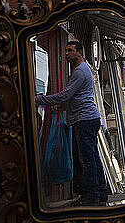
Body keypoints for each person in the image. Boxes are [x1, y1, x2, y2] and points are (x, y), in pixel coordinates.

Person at [35, 41, 107, 206]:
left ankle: (91, 195)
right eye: (66, 50)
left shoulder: (80, 71)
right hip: (87, 119)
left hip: (84, 119)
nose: (66, 53)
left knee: (87, 159)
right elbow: (74, 97)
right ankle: (100, 192)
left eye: (70, 50)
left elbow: (65, 95)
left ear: (79, 53)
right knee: (93, 157)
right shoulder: (80, 70)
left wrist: (39, 100)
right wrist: (60, 105)